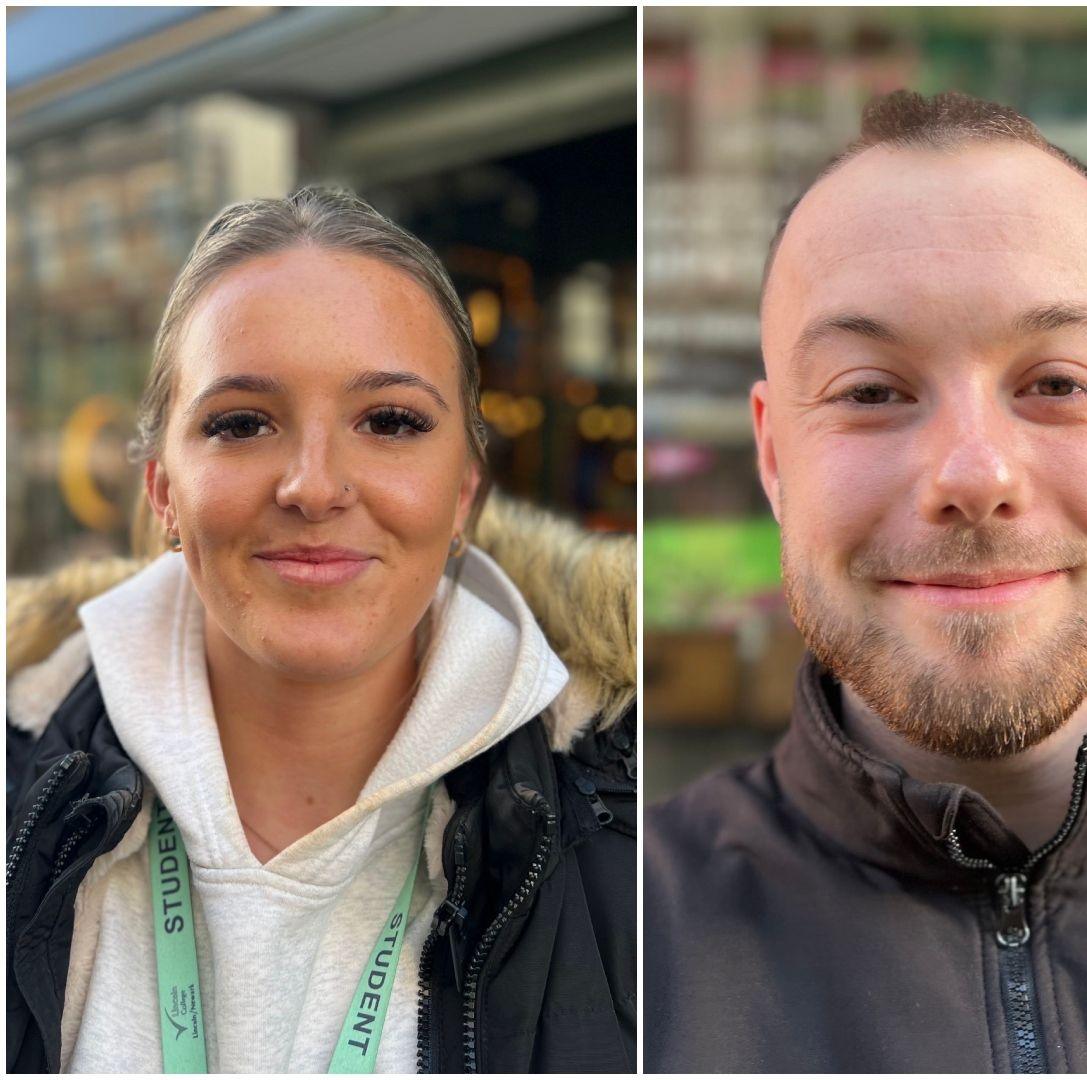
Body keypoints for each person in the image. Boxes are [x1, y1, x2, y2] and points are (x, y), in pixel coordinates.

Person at [644, 90, 1087, 1072]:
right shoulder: (608, 939)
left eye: (1057, 384)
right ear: (774, 460)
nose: (973, 474)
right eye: (871, 392)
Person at [4, 188, 637, 1073]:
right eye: (242, 423)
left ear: (462, 492)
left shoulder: (646, 846)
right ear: (162, 492)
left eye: (389, 422)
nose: (313, 485)